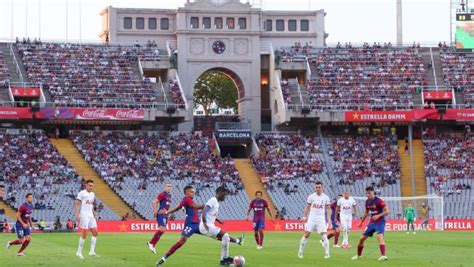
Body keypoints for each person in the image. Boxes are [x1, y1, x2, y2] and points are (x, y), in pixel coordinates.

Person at [156, 186, 205, 266]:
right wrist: (207, 204)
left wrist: (167, 212)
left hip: (198, 224)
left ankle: (230, 245)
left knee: (217, 234)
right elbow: (195, 207)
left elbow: (177, 208)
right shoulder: (187, 199)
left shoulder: (188, 201)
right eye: (192, 192)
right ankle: (164, 258)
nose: (193, 193)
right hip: (190, 225)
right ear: (187, 192)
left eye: (193, 192)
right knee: (181, 241)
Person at [198, 187, 244, 265]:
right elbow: (204, 210)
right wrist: (205, 223)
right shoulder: (213, 200)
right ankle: (225, 258)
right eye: (224, 194)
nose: (225, 196)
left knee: (225, 238)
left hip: (207, 226)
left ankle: (224, 260)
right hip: (206, 226)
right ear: (219, 192)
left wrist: (218, 220)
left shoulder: (216, 203)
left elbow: (210, 213)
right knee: (225, 236)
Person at [351, 186, 389, 261]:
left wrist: (378, 215)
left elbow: (387, 211)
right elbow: (366, 212)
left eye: (369, 193)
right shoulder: (367, 201)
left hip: (380, 222)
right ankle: (358, 255)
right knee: (362, 239)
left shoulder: (379, 201)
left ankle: (383, 255)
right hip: (372, 223)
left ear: (373, 192)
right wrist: (361, 222)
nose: (368, 195)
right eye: (367, 193)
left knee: (379, 236)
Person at [298, 181, 332, 259]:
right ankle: (300, 252)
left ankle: (327, 254)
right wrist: (305, 217)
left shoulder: (326, 198)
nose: (317, 189)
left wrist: (329, 220)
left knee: (324, 235)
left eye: (319, 187)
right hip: (312, 218)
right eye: (316, 187)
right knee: (306, 234)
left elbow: (328, 209)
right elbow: (307, 207)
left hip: (321, 218)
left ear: (322, 187)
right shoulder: (311, 197)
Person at [75, 180, 99, 259]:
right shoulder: (82, 193)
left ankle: (92, 251)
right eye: (89, 185)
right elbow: (77, 204)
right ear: (86, 185)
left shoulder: (92, 194)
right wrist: (77, 214)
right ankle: (79, 252)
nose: (91, 187)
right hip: (84, 215)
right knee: (84, 233)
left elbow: (91, 204)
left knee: (95, 232)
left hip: (90, 215)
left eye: (92, 185)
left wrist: (93, 212)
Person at [147, 183, 173, 254]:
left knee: (163, 230)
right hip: (161, 214)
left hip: (165, 215)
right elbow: (154, 202)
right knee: (162, 229)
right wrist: (155, 212)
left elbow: (166, 206)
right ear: (165, 187)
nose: (169, 187)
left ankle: (152, 244)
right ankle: (151, 243)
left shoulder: (169, 195)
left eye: (170, 186)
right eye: (168, 186)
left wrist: (168, 214)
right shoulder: (162, 194)